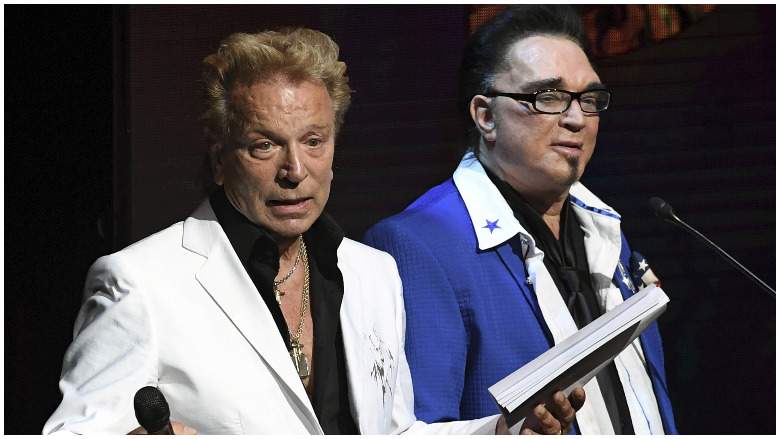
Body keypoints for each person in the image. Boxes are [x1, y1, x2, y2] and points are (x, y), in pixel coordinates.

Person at [43, 27, 581, 435]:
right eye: (265, 145)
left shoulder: (372, 273)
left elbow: (396, 433)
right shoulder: (140, 283)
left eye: (314, 141)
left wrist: (505, 429)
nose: (295, 170)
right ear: (220, 156)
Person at [364, 5, 678, 435]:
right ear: (485, 116)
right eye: (548, 97)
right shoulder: (420, 245)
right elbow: (411, 428)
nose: (576, 119)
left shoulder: (609, 236)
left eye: (589, 99)